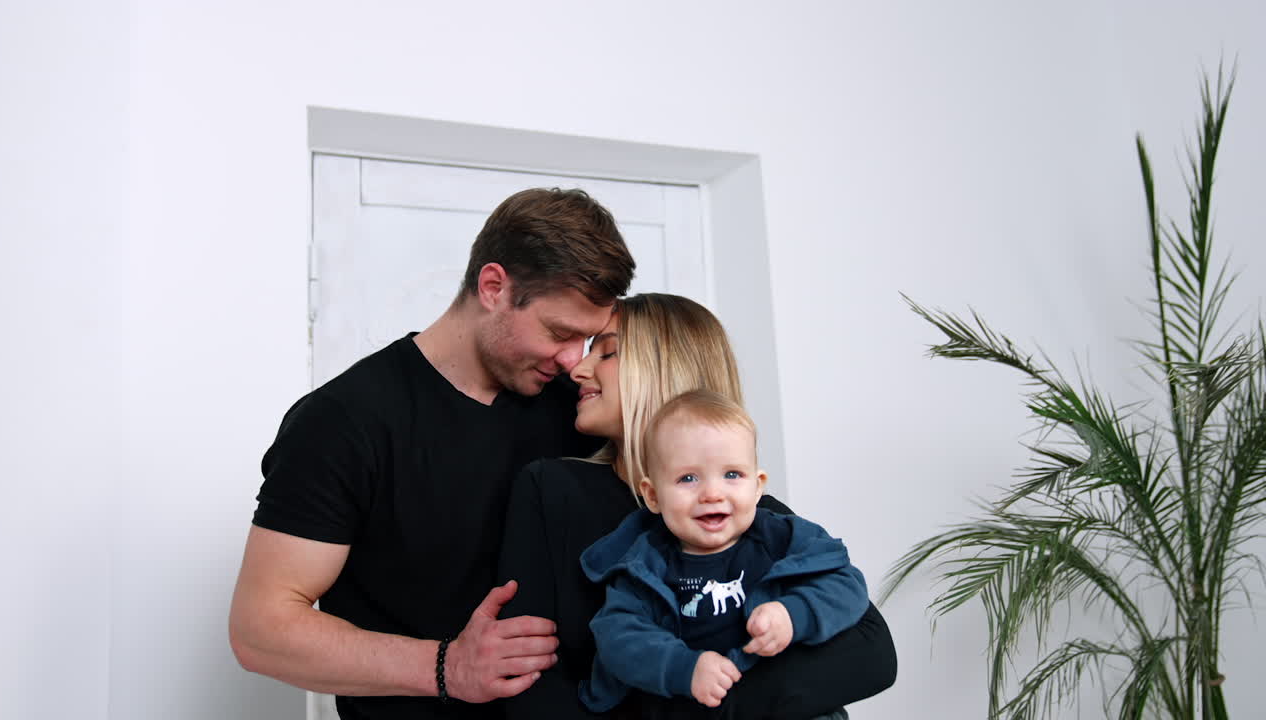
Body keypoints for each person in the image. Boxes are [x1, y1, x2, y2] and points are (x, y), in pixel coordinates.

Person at [228, 187, 636, 720]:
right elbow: (260, 630)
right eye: (559, 332)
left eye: (587, 341)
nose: (570, 360)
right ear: (493, 287)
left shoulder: (581, 410)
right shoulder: (344, 422)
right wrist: (447, 667)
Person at [497, 294, 897, 719]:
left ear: (668, 367)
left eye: (608, 352)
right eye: (687, 481)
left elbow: (871, 654)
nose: (577, 369)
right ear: (652, 496)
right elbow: (531, 678)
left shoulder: (759, 515)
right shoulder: (552, 489)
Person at [580, 389, 869, 713]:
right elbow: (618, 637)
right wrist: (683, 668)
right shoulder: (645, 564)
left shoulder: (783, 539)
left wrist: (793, 614)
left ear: (757, 485)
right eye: (688, 478)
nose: (712, 493)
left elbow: (847, 585)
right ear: (653, 496)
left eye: (732, 474)